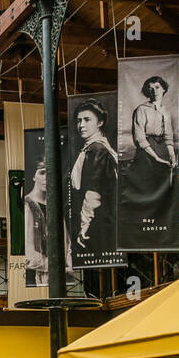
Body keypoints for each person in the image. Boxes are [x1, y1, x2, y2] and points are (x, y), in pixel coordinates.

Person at [121, 75, 177, 244]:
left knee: (167, 183)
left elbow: (168, 138)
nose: (154, 91)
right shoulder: (141, 110)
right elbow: (140, 139)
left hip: (162, 148)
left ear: (164, 89)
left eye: (158, 87)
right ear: (147, 91)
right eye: (151, 88)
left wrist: (172, 157)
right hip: (146, 152)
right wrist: (156, 158)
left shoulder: (165, 112)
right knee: (149, 184)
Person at [70, 99, 118, 259]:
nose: (81, 125)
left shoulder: (97, 150)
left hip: (96, 222)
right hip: (99, 220)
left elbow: (93, 192)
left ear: (100, 122)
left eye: (87, 119)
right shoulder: (94, 148)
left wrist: (84, 226)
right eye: (78, 120)